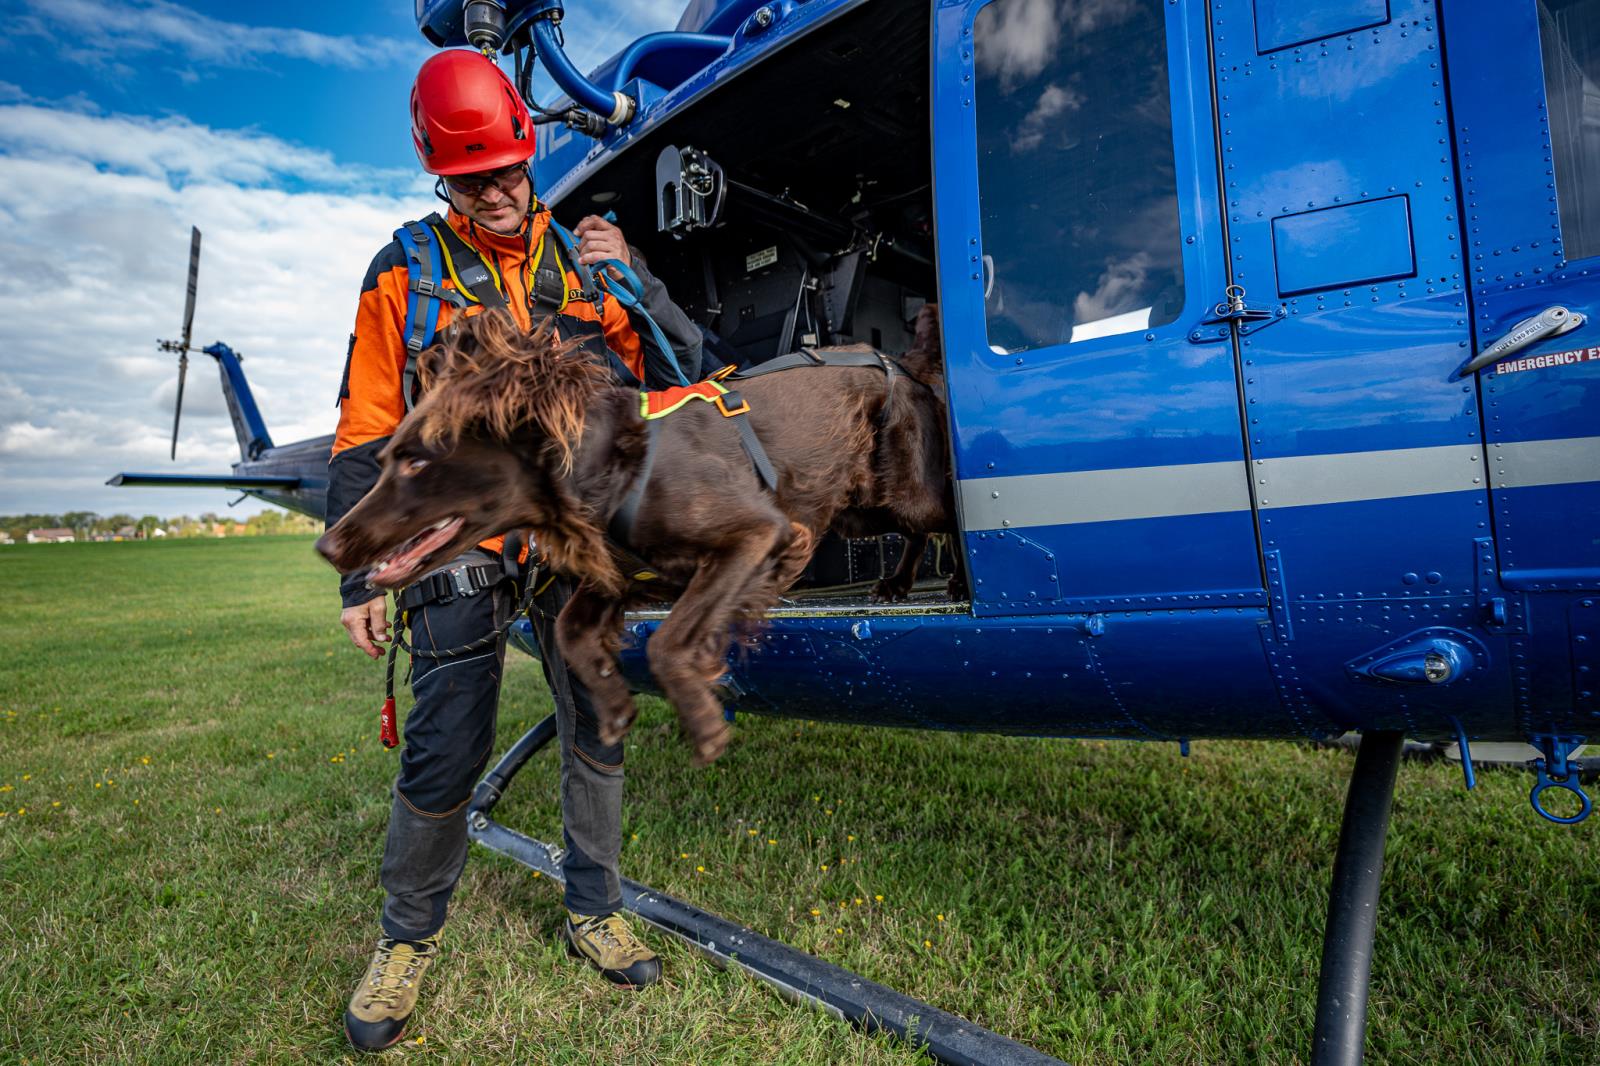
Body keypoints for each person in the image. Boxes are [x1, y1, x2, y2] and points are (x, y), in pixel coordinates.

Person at [328, 49, 703, 1052]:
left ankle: (594, 909)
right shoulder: (404, 268)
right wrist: (360, 577)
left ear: (530, 156)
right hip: (459, 535)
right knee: (448, 736)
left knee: (598, 720)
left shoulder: (585, 262)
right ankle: (406, 938)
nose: (495, 193)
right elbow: (365, 428)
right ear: (439, 176)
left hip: (570, 537)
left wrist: (640, 284)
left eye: (506, 171)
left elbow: (685, 377)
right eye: (470, 177)